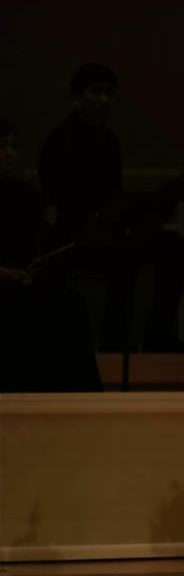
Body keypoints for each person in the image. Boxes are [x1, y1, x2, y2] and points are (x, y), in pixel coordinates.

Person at [39, 63, 184, 352]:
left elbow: (113, 195)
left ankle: (158, 336)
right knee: (126, 255)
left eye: (108, 93)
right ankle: (115, 339)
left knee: (173, 246)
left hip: (108, 231)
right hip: (76, 237)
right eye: (96, 92)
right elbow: (58, 202)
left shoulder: (107, 140)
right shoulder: (61, 142)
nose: (104, 101)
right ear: (78, 97)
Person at [0, 119, 102, 391]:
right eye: (2, 146)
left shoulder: (24, 194)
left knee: (69, 302)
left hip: (24, 280)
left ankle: (82, 396)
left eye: (13, 146)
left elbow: (37, 245)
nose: (10, 153)